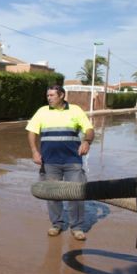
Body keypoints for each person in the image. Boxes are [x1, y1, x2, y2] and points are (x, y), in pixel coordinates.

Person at [26, 84, 94, 241]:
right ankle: (56, 224)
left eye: (52, 95)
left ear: (62, 95)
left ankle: (76, 227)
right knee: (53, 194)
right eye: (47, 95)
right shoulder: (42, 111)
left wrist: (87, 142)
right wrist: (34, 151)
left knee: (76, 194)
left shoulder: (75, 110)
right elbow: (32, 132)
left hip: (73, 161)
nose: (48, 98)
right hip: (50, 162)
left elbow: (89, 129)